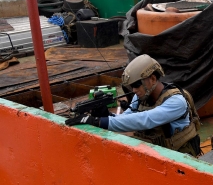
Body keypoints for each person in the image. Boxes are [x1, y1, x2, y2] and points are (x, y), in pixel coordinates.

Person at [65, 54, 202, 157]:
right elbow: (128, 117)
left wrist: (100, 122)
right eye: (131, 87)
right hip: (158, 154)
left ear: (153, 79)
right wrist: (106, 115)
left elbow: (146, 119)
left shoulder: (176, 101)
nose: (134, 91)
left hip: (181, 156)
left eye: (137, 85)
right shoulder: (141, 96)